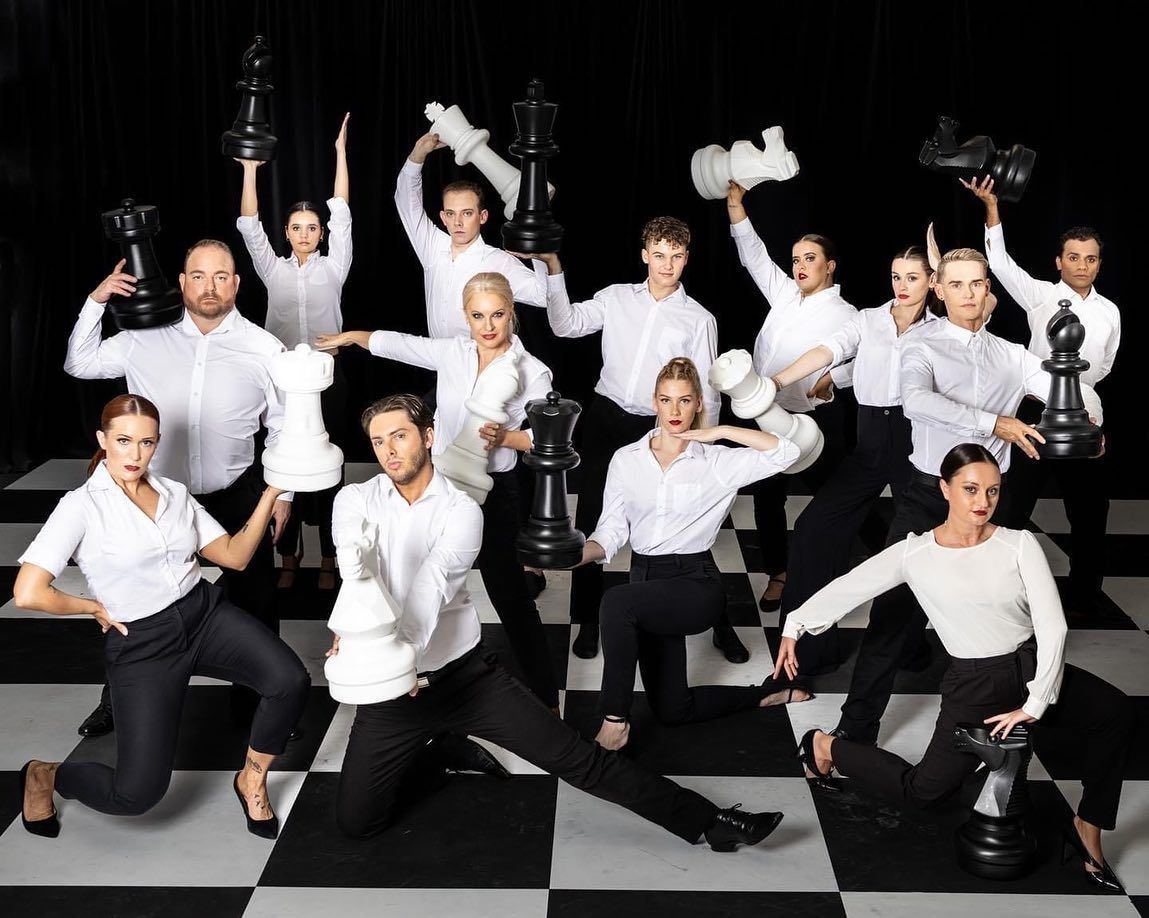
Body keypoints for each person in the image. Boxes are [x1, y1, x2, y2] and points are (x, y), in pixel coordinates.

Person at [326, 392, 785, 852]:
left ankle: (713, 821)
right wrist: (354, 633)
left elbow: (430, 587)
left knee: (579, 760)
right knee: (356, 822)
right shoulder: (355, 499)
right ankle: (437, 753)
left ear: (427, 437)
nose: (388, 450)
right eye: (378, 441)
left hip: (464, 678)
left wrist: (397, 659)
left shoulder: (460, 510)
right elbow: (355, 571)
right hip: (391, 691)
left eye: (399, 436)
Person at [776, 443, 1132, 893]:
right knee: (923, 793)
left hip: (1029, 668)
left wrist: (1036, 702)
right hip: (974, 684)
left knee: (1115, 713)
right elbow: (853, 585)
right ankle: (825, 747)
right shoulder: (916, 554)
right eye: (970, 489)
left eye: (992, 491)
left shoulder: (1018, 543)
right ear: (944, 489)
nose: (982, 502)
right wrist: (795, 625)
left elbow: (1053, 625)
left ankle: (1087, 828)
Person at [830, 247, 1103, 747]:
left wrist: (1088, 421)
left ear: (989, 291)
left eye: (976, 283)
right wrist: (993, 422)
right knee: (891, 618)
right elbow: (916, 401)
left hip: (992, 505)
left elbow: (1067, 385)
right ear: (938, 289)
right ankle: (854, 731)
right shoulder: (921, 345)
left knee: (1005, 619)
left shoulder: (1011, 355)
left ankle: (1006, 724)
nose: (968, 294)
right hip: (927, 497)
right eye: (955, 285)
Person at [14, 395, 310, 840]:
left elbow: (234, 557)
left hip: (204, 615)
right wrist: (92, 606)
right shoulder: (81, 507)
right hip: (143, 642)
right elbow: (28, 593)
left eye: (147, 442)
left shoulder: (173, 492)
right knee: (135, 795)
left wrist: (270, 492)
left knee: (289, 680)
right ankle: (45, 775)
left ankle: (251, 778)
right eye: (124, 441)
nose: (135, 454)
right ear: (103, 440)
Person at [63, 240, 291, 737]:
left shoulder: (264, 347)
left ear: (236, 282)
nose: (210, 287)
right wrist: (96, 300)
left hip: (235, 490)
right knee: (133, 602)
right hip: (154, 497)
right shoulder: (142, 336)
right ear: (182, 282)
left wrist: (283, 496)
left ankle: (256, 702)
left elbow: (283, 426)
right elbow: (79, 364)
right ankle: (117, 700)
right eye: (198, 275)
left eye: (221, 276)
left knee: (255, 598)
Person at [317, 272, 560, 710]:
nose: (488, 326)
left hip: (496, 491)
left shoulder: (532, 372)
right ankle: (414, 681)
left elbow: (548, 440)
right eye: (478, 316)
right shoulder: (454, 353)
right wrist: (355, 336)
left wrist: (506, 438)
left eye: (498, 315)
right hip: (441, 487)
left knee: (511, 597)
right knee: (421, 582)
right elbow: (401, 344)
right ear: (465, 317)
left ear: (512, 313)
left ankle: (545, 699)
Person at [534, 218, 745, 664]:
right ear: (644, 254)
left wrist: (703, 445)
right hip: (606, 418)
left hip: (661, 422)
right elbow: (565, 325)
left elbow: (705, 392)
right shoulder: (614, 299)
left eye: (676, 255)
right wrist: (552, 268)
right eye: (659, 253)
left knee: (679, 526)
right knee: (592, 515)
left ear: (686, 259)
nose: (667, 264)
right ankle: (589, 620)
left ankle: (719, 622)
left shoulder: (699, 319)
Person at [580, 358, 808, 752]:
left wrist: (717, 432)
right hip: (645, 583)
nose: (674, 411)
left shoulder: (717, 462)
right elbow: (612, 530)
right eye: (666, 400)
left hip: (694, 583)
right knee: (672, 710)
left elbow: (787, 452)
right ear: (654, 401)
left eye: (685, 401)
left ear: (698, 403)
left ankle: (613, 721)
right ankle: (765, 694)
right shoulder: (626, 459)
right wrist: (579, 554)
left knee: (615, 603)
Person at [770, 246, 935, 680]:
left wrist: (838, 377)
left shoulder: (942, 329)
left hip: (916, 443)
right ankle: (810, 650)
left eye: (913, 278)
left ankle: (910, 649)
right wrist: (778, 381)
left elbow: (985, 307)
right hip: (868, 441)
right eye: (896, 276)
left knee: (910, 550)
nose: (901, 286)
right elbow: (832, 350)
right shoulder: (868, 319)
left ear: (932, 282)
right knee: (812, 529)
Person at [966, 176, 1120, 614]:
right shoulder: (1040, 297)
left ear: (1098, 264)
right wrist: (992, 208)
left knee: (1089, 515)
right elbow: (1000, 262)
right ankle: (997, 593)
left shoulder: (1110, 312)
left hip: (1082, 419)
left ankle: (1086, 596)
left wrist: (1089, 417)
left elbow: (1102, 367)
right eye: (1073, 257)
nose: (1082, 265)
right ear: (1058, 261)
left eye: (1090, 259)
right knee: (1012, 508)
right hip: (1034, 416)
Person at [725, 181, 858, 615]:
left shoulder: (847, 314)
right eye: (797, 260)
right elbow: (754, 256)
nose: (800, 266)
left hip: (817, 421)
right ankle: (779, 573)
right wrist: (736, 208)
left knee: (837, 496)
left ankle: (845, 567)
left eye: (810, 259)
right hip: (767, 415)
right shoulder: (784, 294)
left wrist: (836, 376)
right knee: (767, 497)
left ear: (830, 266)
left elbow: (869, 360)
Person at [236, 112, 354, 592]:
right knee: (282, 464)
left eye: (313, 227)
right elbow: (248, 225)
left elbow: (343, 209)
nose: (305, 233)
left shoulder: (335, 267)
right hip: (282, 382)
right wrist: (250, 168)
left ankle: (327, 556)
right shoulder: (272, 270)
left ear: (321, 233)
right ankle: (289, 554)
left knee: (326, 469)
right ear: (287, 233)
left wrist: (341, 153)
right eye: (297, 227)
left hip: (328, 378)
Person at [396, 130, 547, 342]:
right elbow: (406, 203)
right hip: (442, 365)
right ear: (443, 217)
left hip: (487, 367)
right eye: (451, 214)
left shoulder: (499, 262)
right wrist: (417, 156)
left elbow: (542, 296)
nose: (458, 222)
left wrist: (539, 253)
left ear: (482, 216)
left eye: (467, 213)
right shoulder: (432, 246)